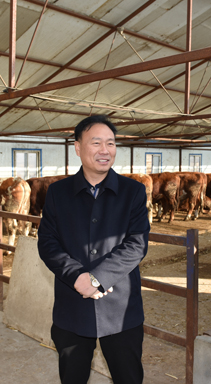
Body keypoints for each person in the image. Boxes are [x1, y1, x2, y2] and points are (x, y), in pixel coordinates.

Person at [38, 115, 150, 384]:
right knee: (72, 377)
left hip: (121, 308)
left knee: (128, 377)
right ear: (78, 147)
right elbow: (47, 242)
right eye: (96, 142)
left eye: (110, 143)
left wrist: (98, 278)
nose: (105, 150)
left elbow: (137, 243)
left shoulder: (133, 191)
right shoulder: (58, 192)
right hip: (72, 306)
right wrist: (76, 276)